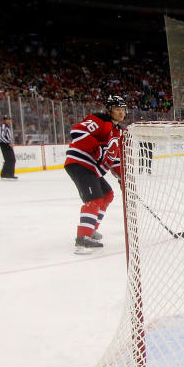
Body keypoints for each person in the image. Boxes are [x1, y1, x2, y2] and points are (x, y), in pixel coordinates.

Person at [65, 95, 126, 254]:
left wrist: (123, 179)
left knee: (107, 195)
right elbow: (77, 131)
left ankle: (90, 230)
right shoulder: (100, 120)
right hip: (80, 162)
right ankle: (82, 241)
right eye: (117, 109)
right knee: (94, 199)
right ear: (109, 110)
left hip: (91, 168)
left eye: (122, 109)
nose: (121, 112)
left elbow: (116, 158)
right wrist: (97, 149)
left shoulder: (119, 131)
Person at [0, 114, 17, 180]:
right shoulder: (3, 126)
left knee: (10, 159)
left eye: (9, 119)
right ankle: (8, 174)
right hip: (5, 144)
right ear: (5, 120)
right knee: (11, 159)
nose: (9, 121)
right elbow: (1, 136)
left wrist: (11, 142)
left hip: (7, 144)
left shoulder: (7, 126)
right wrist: (8, 142)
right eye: (8, 119)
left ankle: (5, 174)